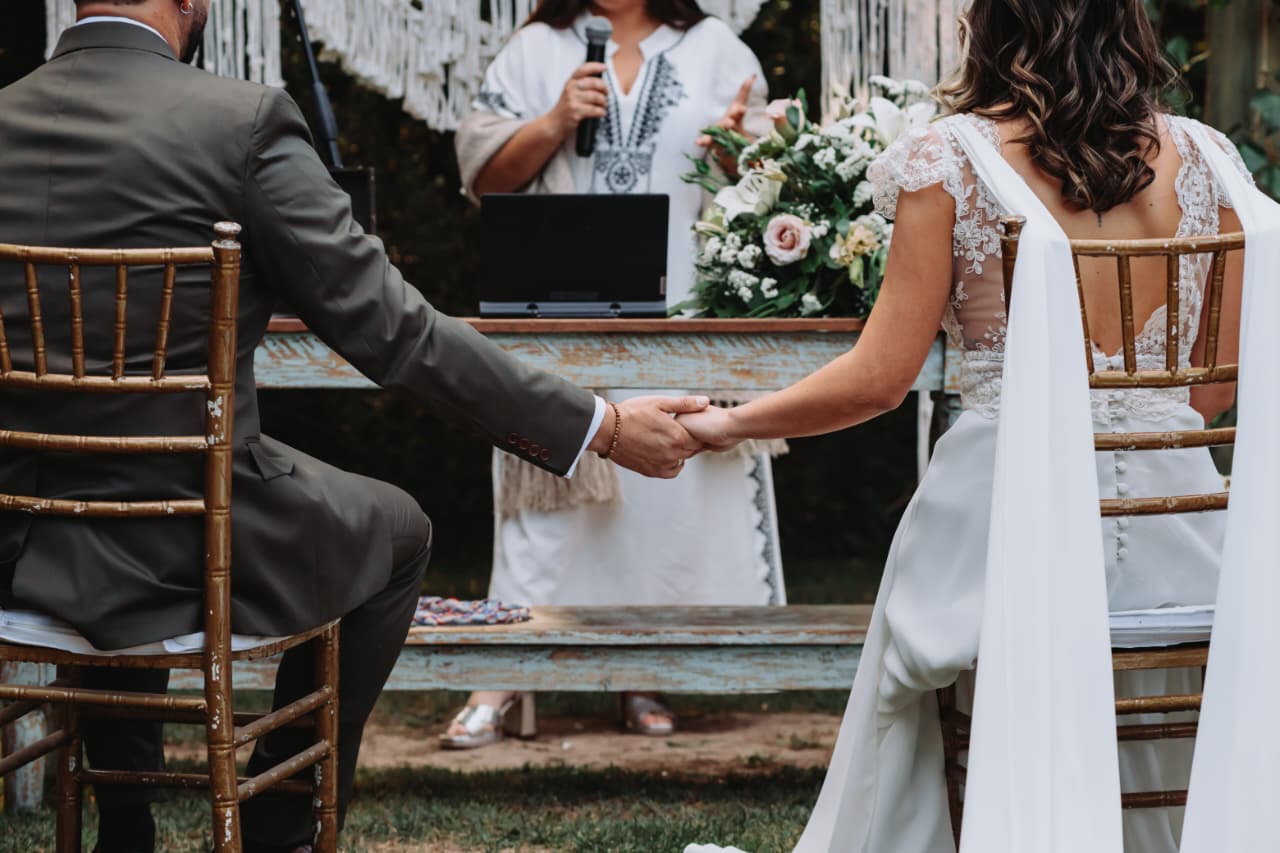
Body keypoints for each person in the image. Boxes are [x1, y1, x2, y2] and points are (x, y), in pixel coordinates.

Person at [0, 2, 709, 851]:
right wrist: (600, 425)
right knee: (398, 531)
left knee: (125, 483)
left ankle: (126, 823)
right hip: (185, 547)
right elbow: (396, 331)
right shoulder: (239, 123)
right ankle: (279, 828)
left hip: (17, 546)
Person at [677, 1, 1250, 850]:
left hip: (998, 539)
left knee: (924, 614)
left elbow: (879, 382)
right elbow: (1213, 390)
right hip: (1184, 551)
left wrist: (730, 426)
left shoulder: (950, 158)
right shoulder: (1208, 160)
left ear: (994, 26)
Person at [444, 0, 785, 746]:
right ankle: (501, 674)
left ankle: (644, 668)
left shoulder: (715, 47)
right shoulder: (536, 48)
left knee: (667, 503)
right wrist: (554, 122)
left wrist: (737, 151)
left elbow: (769, 186)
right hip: (563, 307)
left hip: (683, 306)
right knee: (548, 502)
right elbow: (484, 180)